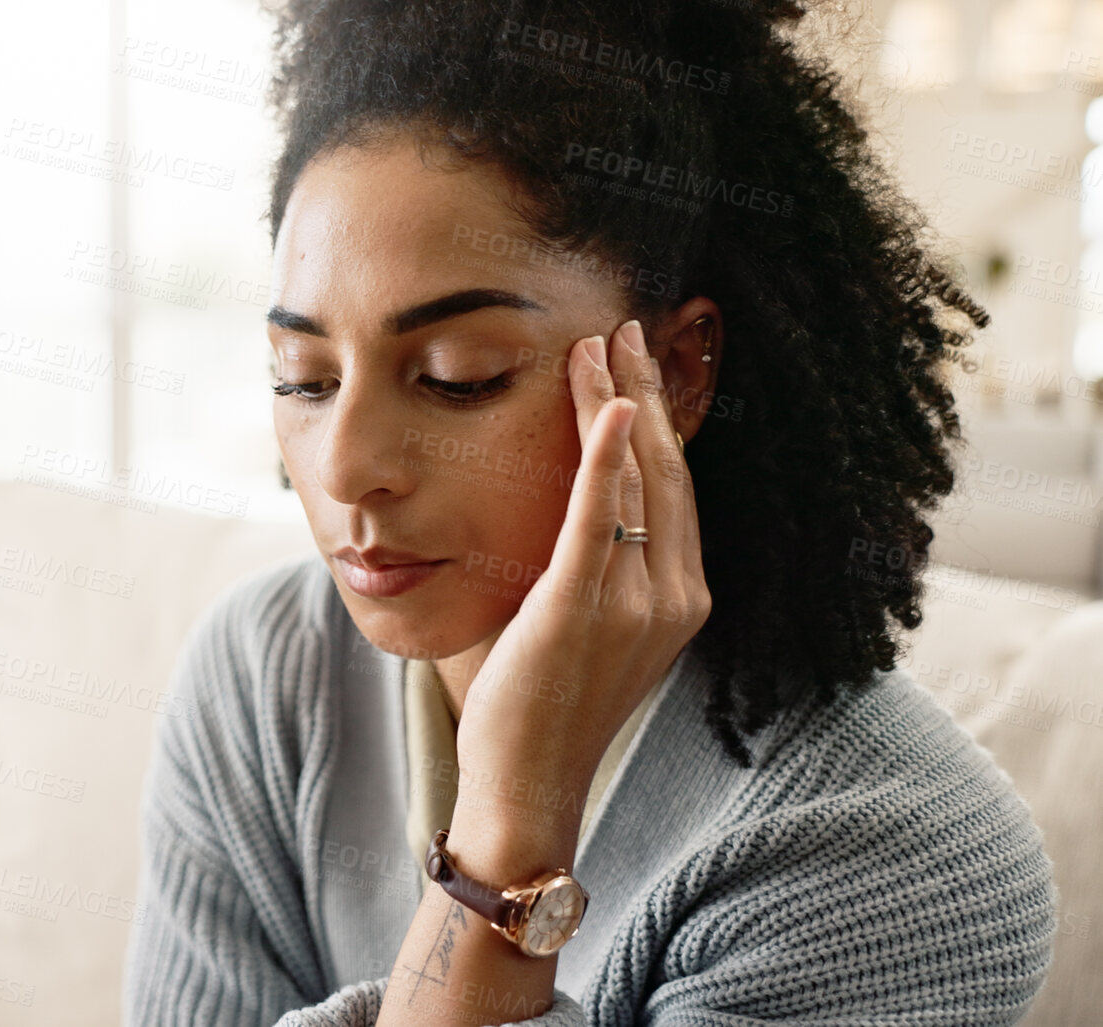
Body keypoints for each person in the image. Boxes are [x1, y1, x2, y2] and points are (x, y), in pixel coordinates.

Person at [123, 1, 1057, 1025]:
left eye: (456, 377)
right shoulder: (263, 682)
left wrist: (512, 819)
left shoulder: (900, 858)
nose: (344, 466)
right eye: (303, 378)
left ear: (678, 372)